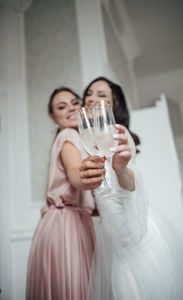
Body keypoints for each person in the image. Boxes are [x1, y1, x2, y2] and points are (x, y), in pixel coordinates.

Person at [82, 77, 183, 300]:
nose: (92, 98)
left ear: (113, 105)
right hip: (111, 237)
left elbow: (130, 184)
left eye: (101, 95)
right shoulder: (84, 137)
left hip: (134, 233)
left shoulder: (117, 132)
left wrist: (120, 170)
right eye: (89, 93)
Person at [26, 87, 106, 300]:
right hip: (67, 224)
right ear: (53, 116)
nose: (71, 108)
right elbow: (75, 175)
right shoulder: (69, 135)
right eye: (62, 107)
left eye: (74, 102)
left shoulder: (80, 140)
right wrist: (87, 175)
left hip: (65, 222)